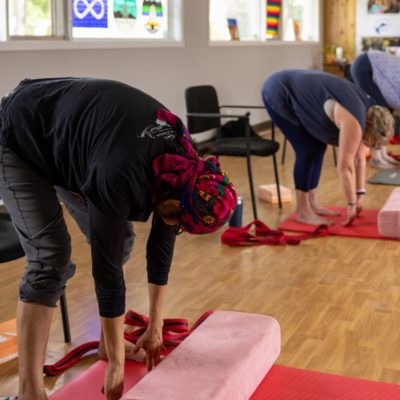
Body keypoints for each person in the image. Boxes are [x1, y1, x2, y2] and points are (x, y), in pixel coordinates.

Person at [0, 78, 237, 400]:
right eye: (179, 224)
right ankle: (30, 390)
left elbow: (160, 248)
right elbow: (106, 271)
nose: (174, 229)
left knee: (122, 239)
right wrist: (116, 364)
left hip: (74, 144)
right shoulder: (122, 174)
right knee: (50, 258)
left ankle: (105, 341)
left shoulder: (184, 171)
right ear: (173, 204)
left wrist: (155, 327)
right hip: (19, 135)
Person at [262, 69, 395, 226]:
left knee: (318, 146)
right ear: (369, 125)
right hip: (278, 91)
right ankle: (303, 212)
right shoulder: (353, 119)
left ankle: (313, 204)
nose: (366, 145)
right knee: (308, 148)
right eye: (369, 141)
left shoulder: (370, 110)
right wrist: (351, 204)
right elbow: (345, 167)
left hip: (298, 88)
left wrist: (360, 195)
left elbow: (359, 159)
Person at [351, 50, 400, 169]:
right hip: (366, 66)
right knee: (379, 113)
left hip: (375, 68)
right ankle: (377, 158)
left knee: (386, 114)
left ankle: (382, 155)